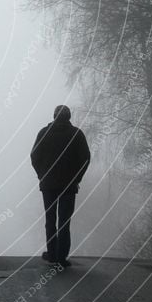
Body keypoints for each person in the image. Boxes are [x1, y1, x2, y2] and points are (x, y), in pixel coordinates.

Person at [30, 105, 90, 267]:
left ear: (54, 116)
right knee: (64, 221)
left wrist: (42, 175)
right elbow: (85, 158)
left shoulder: (44, 133)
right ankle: (62, 256)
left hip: (48, 185)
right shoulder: (76, 134)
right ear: (69, 117)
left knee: (50, 220)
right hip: (69, 186)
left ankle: (52, 254)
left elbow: (34, 156)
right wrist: (77, 178)